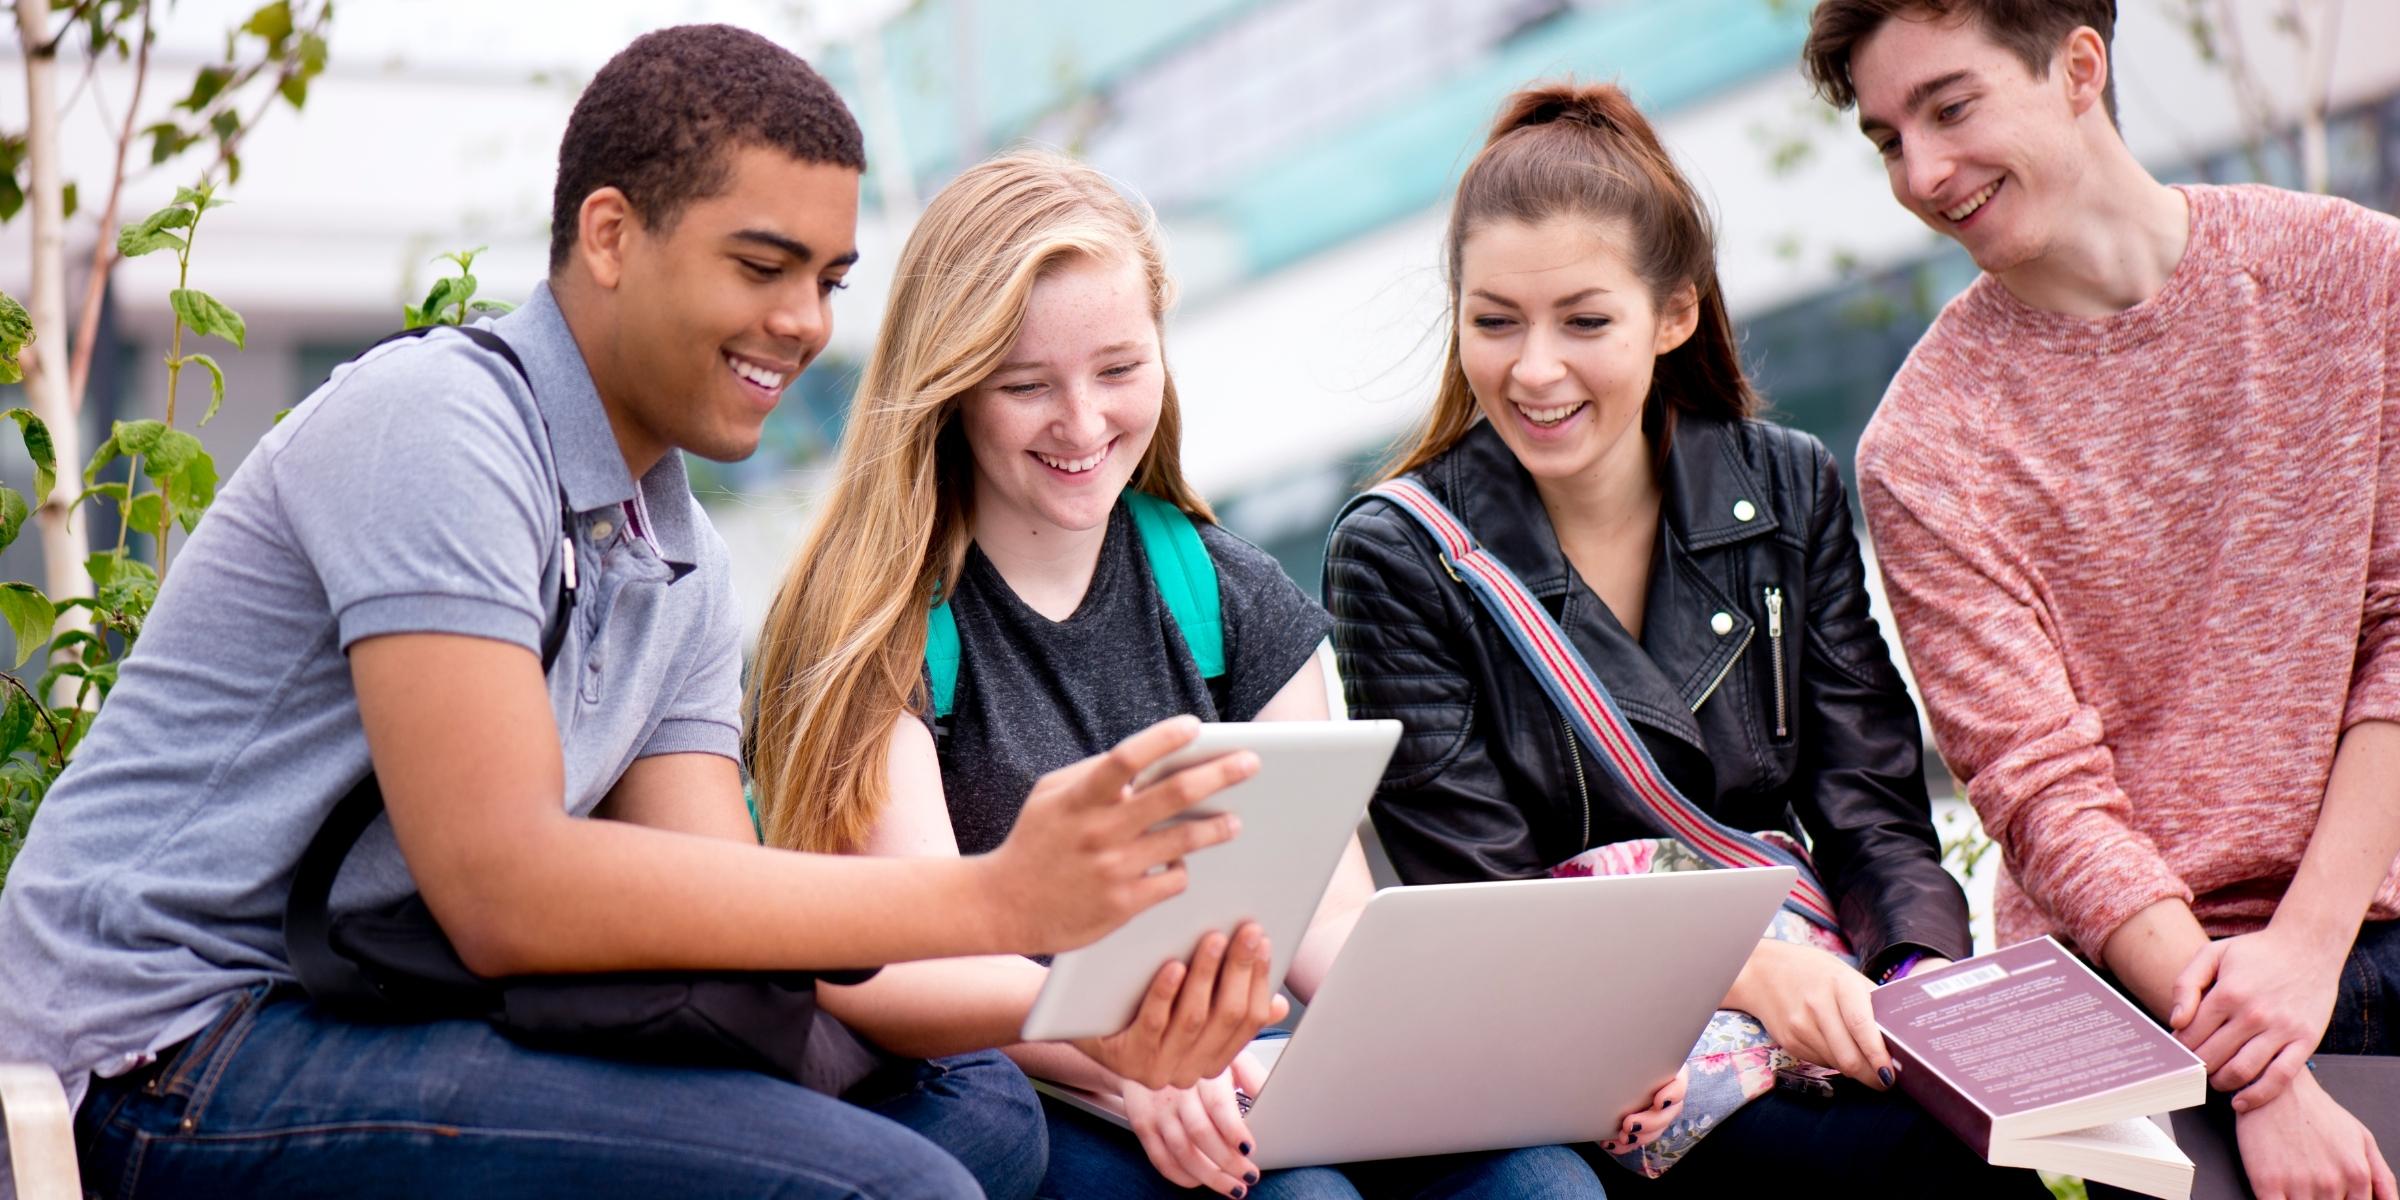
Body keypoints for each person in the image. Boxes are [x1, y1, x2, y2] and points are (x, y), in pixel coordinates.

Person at [0, 26, 1276, 1200]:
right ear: (609, 236)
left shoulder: (677, 553)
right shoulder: (440, 426)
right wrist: (1004, 901)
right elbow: (504, 886)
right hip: (169, 1046)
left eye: (830, 279)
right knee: (903, 1189)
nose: (804, 324)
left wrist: (1081, 1010)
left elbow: (722, 917)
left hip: (394, 1013)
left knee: (979, 1115)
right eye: (763, 267)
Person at [747, 147, 1662, 1199]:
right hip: (1024, 1091)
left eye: (1120, 371)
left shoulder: (1224, 592)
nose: (1084, 424)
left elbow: (1322, 916)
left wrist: (1535, 1051)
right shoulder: (881, 625)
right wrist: (1124, 1055)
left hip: (1229, 1067)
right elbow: (897, 968)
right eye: (1025, 386)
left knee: (1542, 1185)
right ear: (948, 388)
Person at [1322, 80, 2047, 1196]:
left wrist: (1910, 982)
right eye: (1495, 319)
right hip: (1601, 1061)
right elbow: (1477, 903)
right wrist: (1752, 977)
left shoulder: (1782, 483)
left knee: (1981, 1140)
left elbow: (1869, 806)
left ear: (1674, 315)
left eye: (1585, 319)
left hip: (1818, 996)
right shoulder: (1400, 554)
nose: (1534, 369)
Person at [1800, 1, 2400, 1195]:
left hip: (2360, 925)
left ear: (2080, 65)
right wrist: (2266, 1080)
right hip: (2134, 993)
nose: (1921, 174)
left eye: (1951, 107)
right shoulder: (1924, 450)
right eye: (1885, 139)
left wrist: (2306, 951)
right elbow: (2041, 790)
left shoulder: (2356, 277)